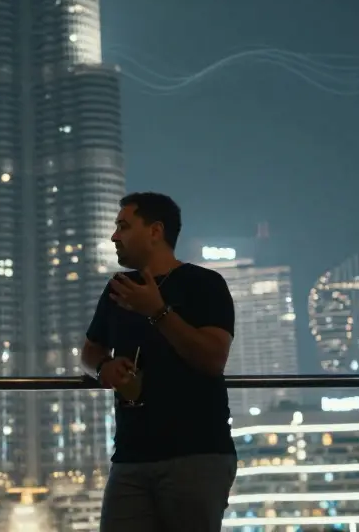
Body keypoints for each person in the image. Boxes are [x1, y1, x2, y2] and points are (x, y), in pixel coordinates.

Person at [81, 192, 238, 532]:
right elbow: (89, 350)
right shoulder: (118, 288)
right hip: (130, 456)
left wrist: (157, 311)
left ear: (155, 231)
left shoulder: (204, 284)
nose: (114, 236)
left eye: (123, 226)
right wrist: (102, 367)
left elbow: (213, 359)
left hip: (196, 454)